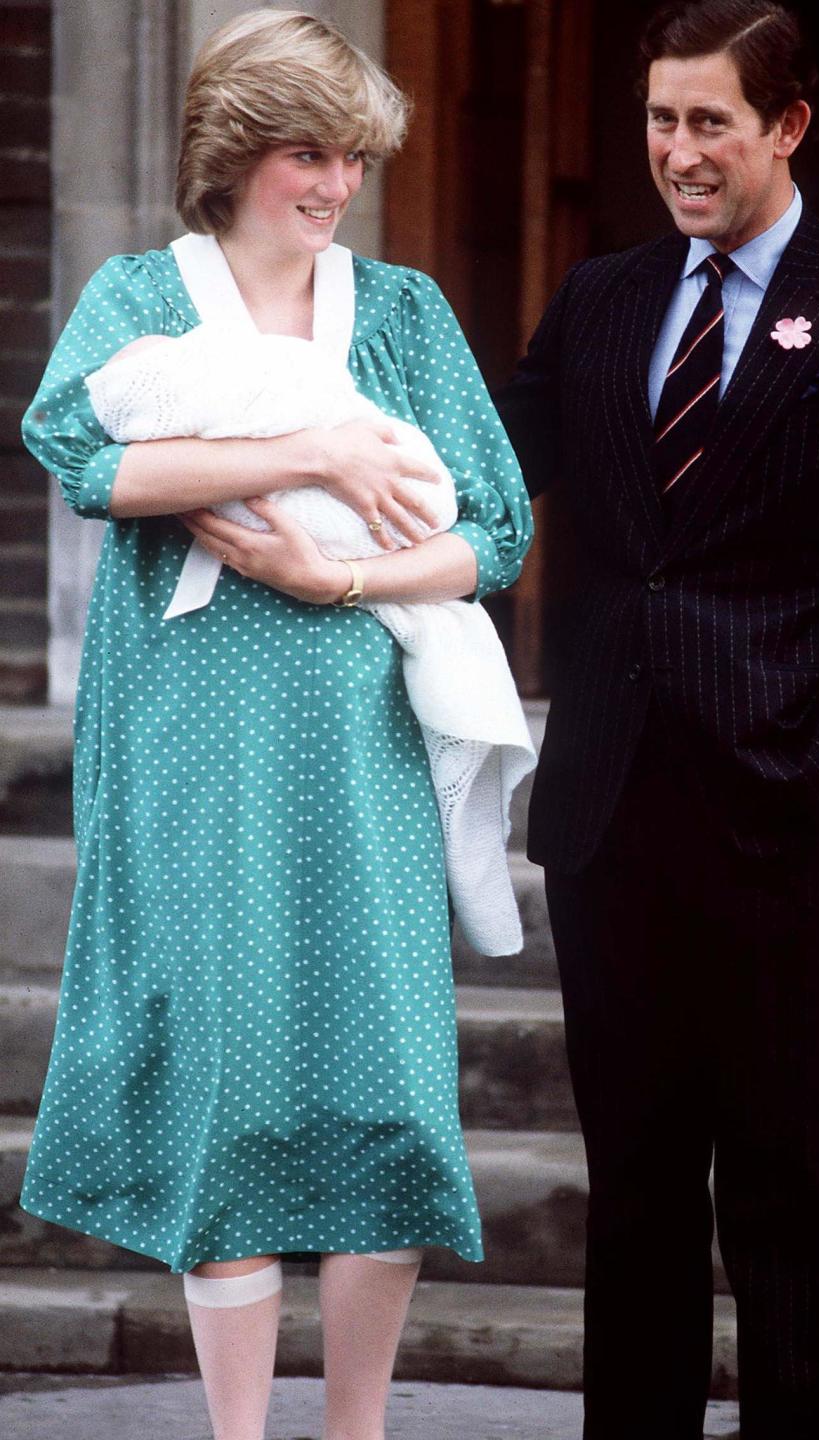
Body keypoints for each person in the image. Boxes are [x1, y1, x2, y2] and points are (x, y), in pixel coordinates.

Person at [19, 10, 532, 1440]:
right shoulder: (141, 300)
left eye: (353, 157)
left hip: (364, 760)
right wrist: (313, 444)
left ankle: (352, 1429)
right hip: (192, 754)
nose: (335, 185)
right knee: (226, 1093)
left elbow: (496, 532)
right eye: (309, 152)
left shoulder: (409, 315)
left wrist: (336, 570)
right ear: (236, 154)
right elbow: (82, 456)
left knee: (389, 1090)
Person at [496, 2, 819, 1436]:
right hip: (611, 812)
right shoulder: (601, 300)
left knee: (777, 1193)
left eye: (709, 122)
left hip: (779, 822)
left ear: (788, 126)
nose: (678, 153)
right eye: (658, 120)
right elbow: (484, 481)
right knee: (631, 1191)